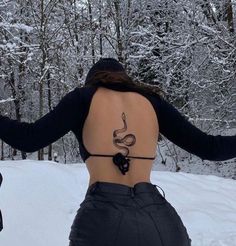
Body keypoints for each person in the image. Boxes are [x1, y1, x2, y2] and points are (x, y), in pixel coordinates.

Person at [0, 58, 236, 246]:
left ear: (92, 81)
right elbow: (211, 148)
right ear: (125, 79)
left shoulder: (83, 98)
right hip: (162, 223)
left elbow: (27, 139)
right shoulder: (152, 102)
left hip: (104, 219)